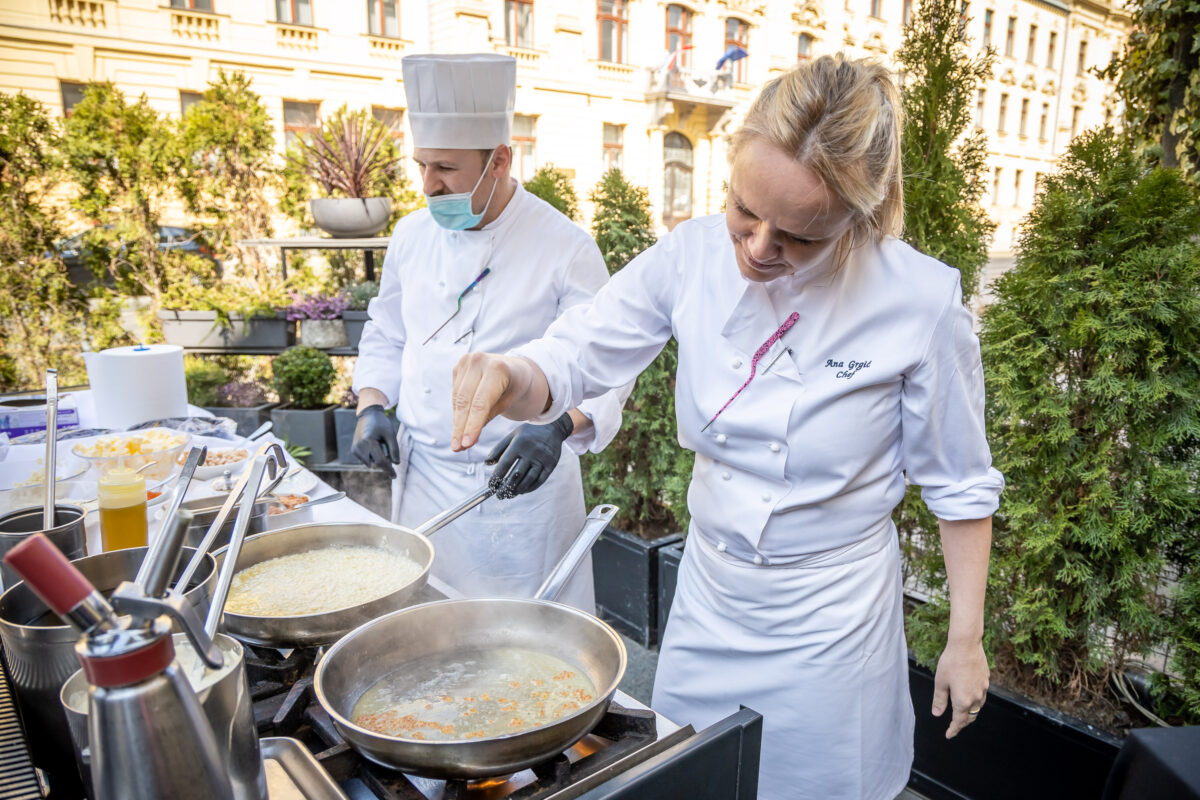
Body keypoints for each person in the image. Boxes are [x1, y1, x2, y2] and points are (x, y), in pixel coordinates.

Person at [447, 55, 1004, 800]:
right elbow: (579, 350)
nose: (759, 248)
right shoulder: (690, 255)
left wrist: (964, 639)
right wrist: (512, 373)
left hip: (831, 621)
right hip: (711, 595)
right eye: (745, 209)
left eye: (800, 237)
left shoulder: (920, 302)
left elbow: (960, 487)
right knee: (693, 779)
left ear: (859, 217)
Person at [351, 53, 628, 612]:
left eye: (446, 168)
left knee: (525, 641)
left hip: (520, 493)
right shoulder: (409, 235)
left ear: (499, 159)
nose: (429, 185)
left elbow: (608, 367)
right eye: (421, 165)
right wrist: (371, 404)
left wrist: (558, 428)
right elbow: (387, 329)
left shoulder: (566, 247)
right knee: (425, 626)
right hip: (425, 480)